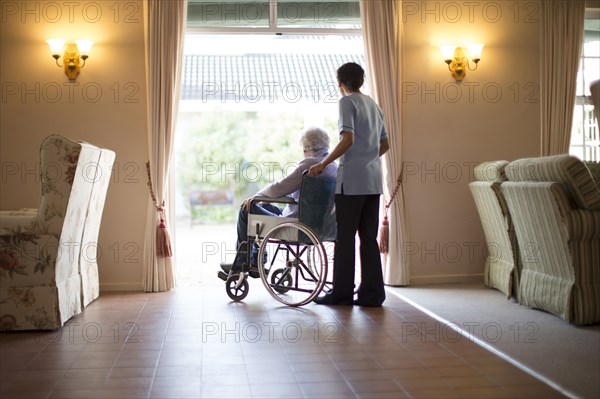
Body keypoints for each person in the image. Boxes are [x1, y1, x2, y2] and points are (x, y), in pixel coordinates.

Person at [309, 62, 390, 307]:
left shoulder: (347, 102)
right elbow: (385, 144)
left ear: (340, 83)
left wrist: (323, 163)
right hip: (373, 181)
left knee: (344, 238)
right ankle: (372, 295)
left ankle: (342, 294)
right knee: (368, 238)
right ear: (361, 80)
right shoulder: (374, 105)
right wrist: (368, 159)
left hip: (352, 183)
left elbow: (348, 139)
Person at [221, 126, 338, 275]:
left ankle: (244, 262)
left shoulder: (308, 165)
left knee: (247, 208)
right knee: (266, 207)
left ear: (307, 148)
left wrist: (257, 198)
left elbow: (279, 187)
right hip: (320, 226)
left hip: (296, 226)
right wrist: (263, 201)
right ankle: (256, 260)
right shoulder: (334, 166)